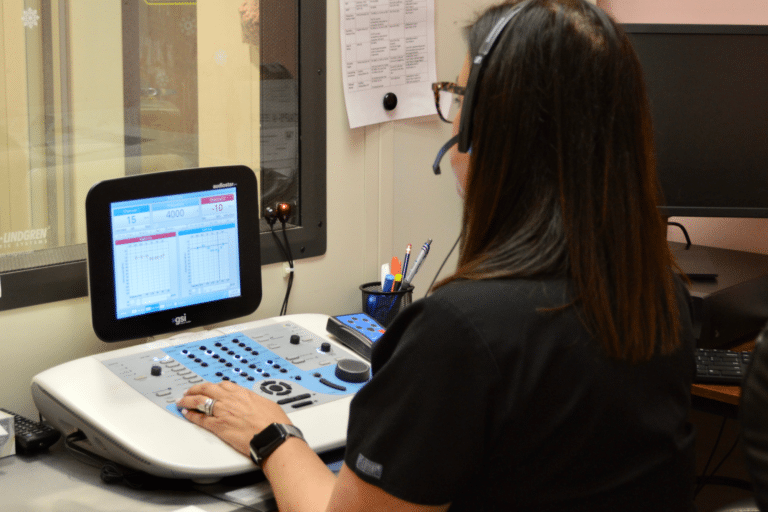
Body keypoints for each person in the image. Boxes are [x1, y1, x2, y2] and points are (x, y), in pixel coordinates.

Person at [177, 0, 696, 510]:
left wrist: (271, 434)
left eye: (456, 98)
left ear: (482, 129)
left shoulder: (460, 333)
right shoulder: (656, 291)